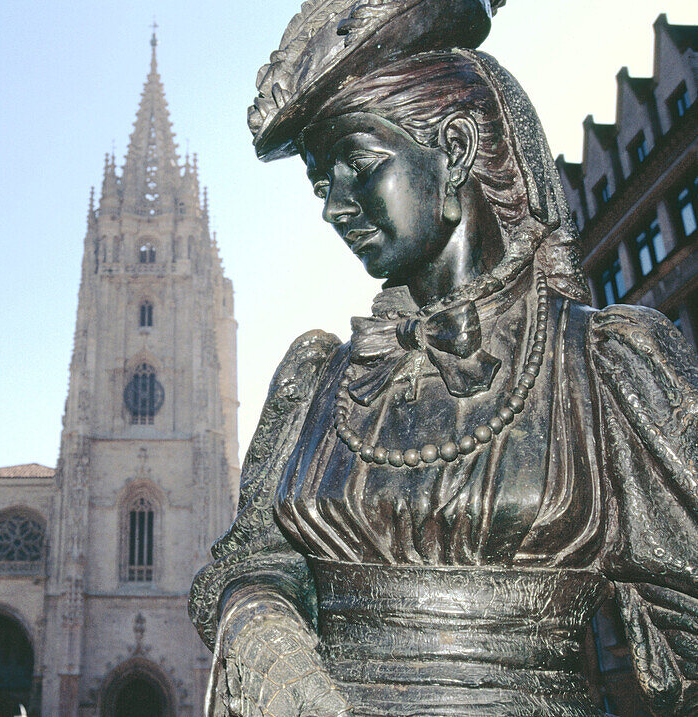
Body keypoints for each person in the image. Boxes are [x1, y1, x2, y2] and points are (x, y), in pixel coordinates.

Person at [188, 3, 698, 716]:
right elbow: (252, 558)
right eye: (318, 184)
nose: (332, 208)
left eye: (355, 166)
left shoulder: (601, 366)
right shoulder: (317, 381)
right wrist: (259, 624)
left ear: (454, 147)